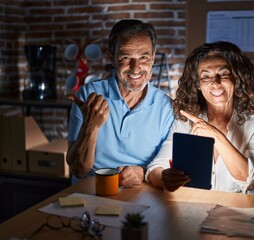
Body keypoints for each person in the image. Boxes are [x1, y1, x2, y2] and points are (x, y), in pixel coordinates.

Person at [145, 41, 254, 194]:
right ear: (198, 84)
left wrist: (216, 136)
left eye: (223, 74)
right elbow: (155, 168)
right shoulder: (187, 119)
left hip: (239, 212)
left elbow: (252, 180)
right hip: (195, 208)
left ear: (236, 79)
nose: (215, 83)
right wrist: (164, 178)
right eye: (206, 76)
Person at [66, 19, 174, 187]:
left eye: (144, 57)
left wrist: (142, 172)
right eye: (126, 57)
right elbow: (78, 170)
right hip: (91, 192)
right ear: (112, 58)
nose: (136, 68)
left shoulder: (166, 107)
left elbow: (165, 167)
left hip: (141, 193)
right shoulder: (88, 95)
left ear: (153, 58)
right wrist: (90, 125)